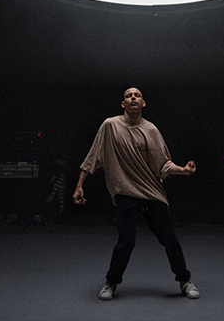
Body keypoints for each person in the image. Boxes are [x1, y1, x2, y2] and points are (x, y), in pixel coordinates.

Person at [72, 87, 200, 301]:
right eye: (128, 95)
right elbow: (93, 156)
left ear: (143, 103)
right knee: (126, 242)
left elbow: (163, 164)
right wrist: (79, 185)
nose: (133, 97)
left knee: (169, 238)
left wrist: (183, 170)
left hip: (152, 193)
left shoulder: (150, 130)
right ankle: (111, 283)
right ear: (123, 104)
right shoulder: (110, 126)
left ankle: (185, 280)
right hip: (125, 194)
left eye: (137, 95)